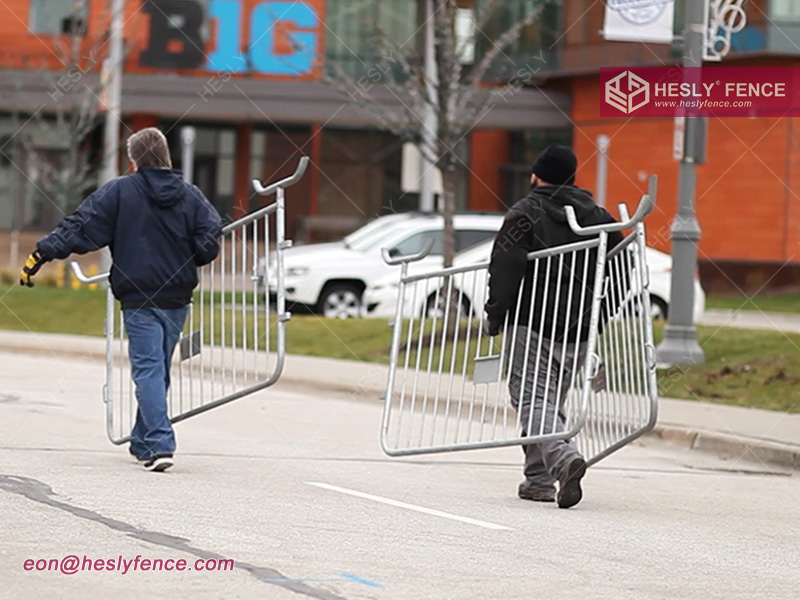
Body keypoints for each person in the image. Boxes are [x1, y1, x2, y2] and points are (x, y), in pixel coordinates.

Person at [19, 127, 222, 472]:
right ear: (166, 156)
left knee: (148, 370)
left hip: (139, 294)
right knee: (157, 368)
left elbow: (81, 226)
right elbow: (210, 233)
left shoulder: (120, 191)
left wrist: (42, 252)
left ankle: (159, 443)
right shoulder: (190, 194)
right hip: (177, 297)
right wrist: (195, 254)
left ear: (134, 161)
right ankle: (144, 440)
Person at [484, 145, 622, 508]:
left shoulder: (525, 212)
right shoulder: (601, 217)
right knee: (546, 403)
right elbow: (621, 269)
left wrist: (495, 314)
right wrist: (600, 316)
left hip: (532, 323)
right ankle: (539, 481)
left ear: (536, 175)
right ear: (573, 177)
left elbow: (505, 266)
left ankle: (562, 459)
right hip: (579, 328)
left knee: (531, 399)